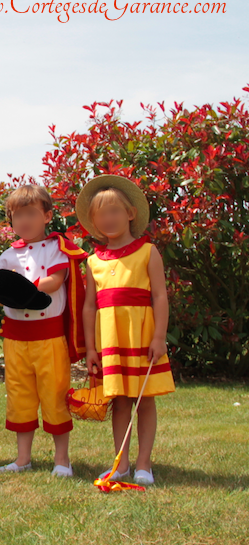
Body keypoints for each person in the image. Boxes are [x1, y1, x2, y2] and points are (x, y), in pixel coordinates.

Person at [78, 174, 175, 485]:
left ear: (131, 214)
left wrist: (159, 337)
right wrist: (91, 348)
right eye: (101, 214)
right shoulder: (93, 262)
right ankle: (121, 463)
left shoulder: (148, 252)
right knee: (119, 400)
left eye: (115, 212)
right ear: (93, 222)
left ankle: (144, 463)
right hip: (111, 341)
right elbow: (89, 307)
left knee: (144, 398)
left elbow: (160, 296)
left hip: (142, 336)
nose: (109, 219)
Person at [0, 185, 88, 477]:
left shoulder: (58, 249)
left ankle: (62, 460)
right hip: (16, 338)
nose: (24, 222)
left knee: (54, 394)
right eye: (17, 216)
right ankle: (22, 458)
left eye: (31, 214)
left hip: (49, 337)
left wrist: (18, 291)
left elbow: (54, 281)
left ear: (47, 216)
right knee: (20, 394)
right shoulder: (7, 256)